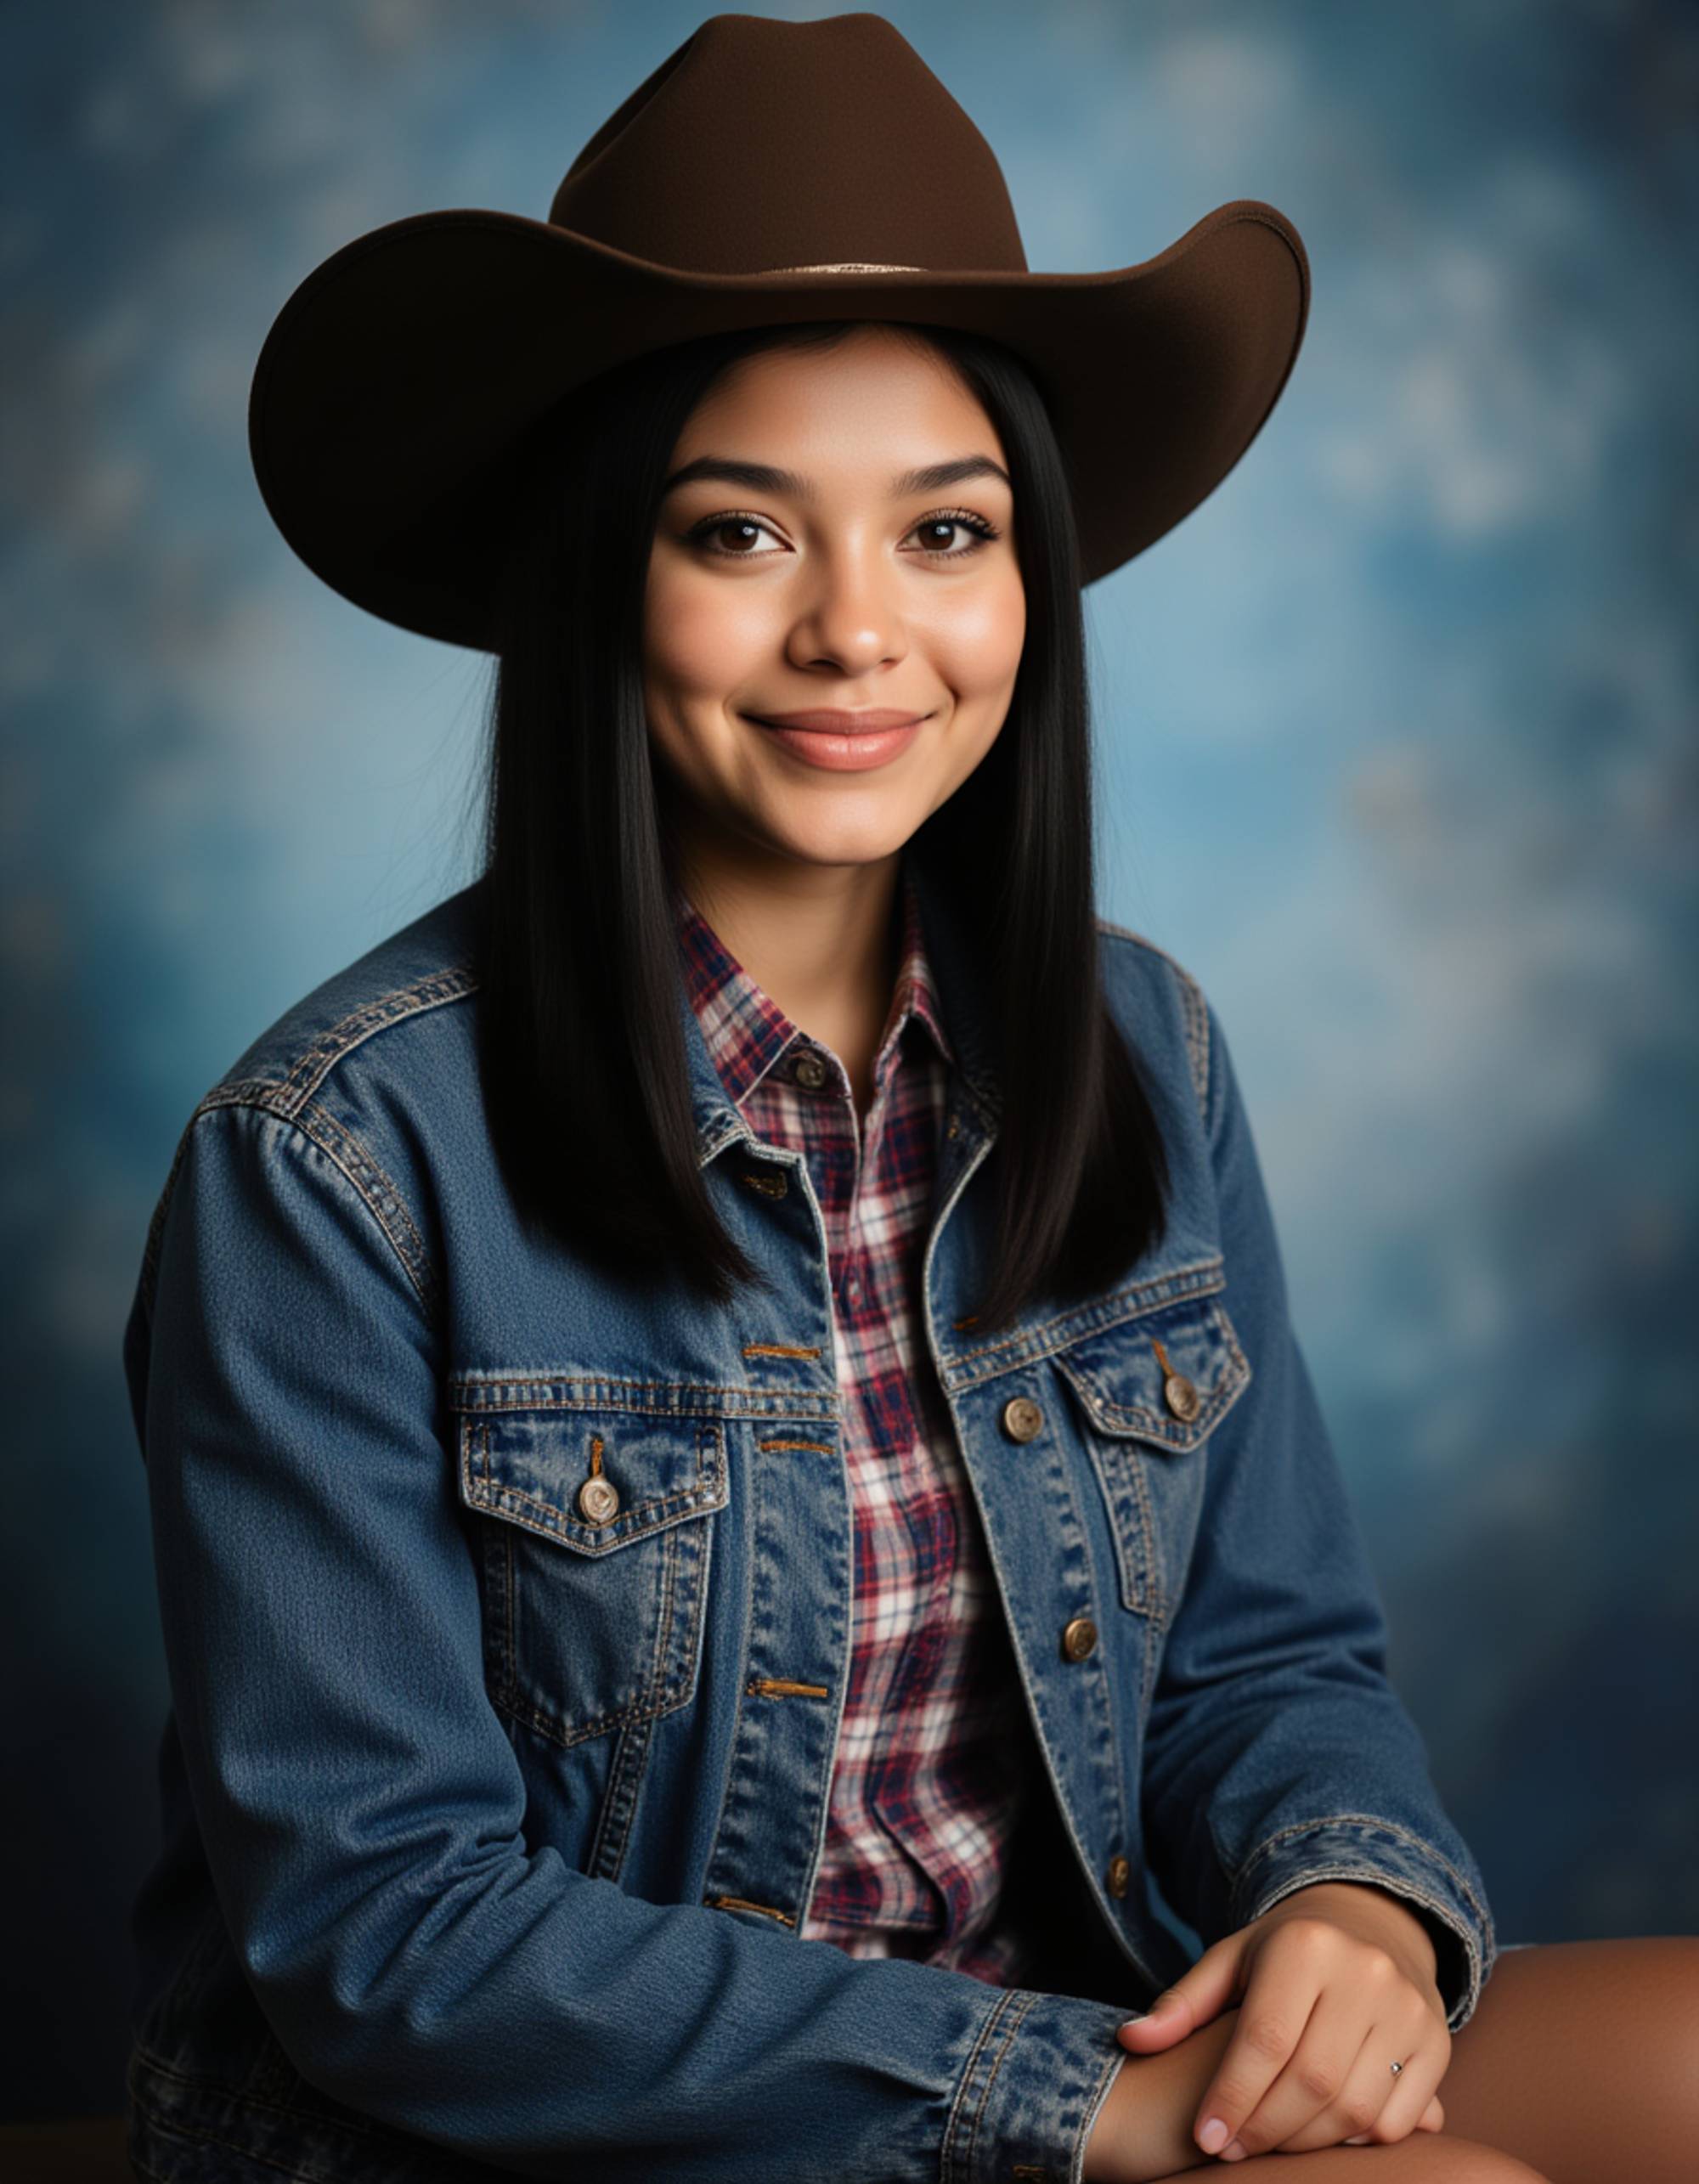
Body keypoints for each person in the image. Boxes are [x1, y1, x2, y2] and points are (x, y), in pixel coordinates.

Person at [121, 14, 1696, 2184]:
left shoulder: (1150, 1053)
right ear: (602, 581)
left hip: (1072, 2008)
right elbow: (385, 1926)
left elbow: (1270, 1658)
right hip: (608, 2130)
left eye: (943, 531)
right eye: (743, 532)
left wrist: (1349, 1893)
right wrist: (1083, 2106)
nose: (863, 632)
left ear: (1025, 580)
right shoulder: (331, 1160)